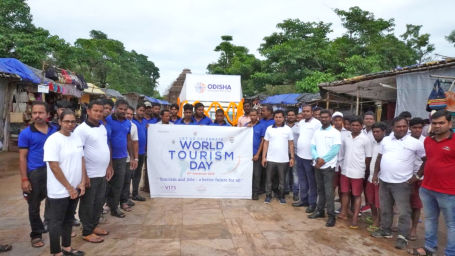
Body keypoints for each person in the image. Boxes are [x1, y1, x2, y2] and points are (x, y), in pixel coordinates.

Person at [372, 116, 426, 250]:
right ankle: (386, 230)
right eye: (398, 126)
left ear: (407, 127)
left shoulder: (415, 143)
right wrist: (375, 174)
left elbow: (426, 159)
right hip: (384, 180)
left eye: (404, 126)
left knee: (404, 211)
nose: (401, 128)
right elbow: (379, 158)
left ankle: (402, 237)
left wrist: (418, 175)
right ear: (392, 127)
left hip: (402, 183)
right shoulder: (385, 140)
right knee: (385, 208)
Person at [408, 110, 455, 256]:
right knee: (430, 220)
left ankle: (450, 252)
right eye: (434, 123)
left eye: (441, 123)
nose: (437, 126)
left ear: (450, 123)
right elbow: (428, 161)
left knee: (451, 225)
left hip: (449, 191)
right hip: (427, 188)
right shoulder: (428, 141)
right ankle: (429, 248)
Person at [43, 109, 86, 256]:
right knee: (56, 222)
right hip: (59, 190)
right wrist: (69, 188)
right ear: (60, 122)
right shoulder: (53, 140)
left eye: (73, 121)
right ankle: (56, 252)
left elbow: (81, 159)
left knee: (68, 219)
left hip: (74, 188)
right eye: (66, 121)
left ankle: (67, 248)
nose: (70, 124)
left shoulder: (76, 138)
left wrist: (82, 182)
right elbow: (54, 166)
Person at [18, 101, 58, 248]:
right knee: (33, 205)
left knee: (54, 200)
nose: (37, 116)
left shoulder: (55, 130)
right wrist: (24, 179)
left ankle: (51, 226)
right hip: (35, 172)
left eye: (41, 113)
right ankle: (36, 234)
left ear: (48, 115)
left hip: (54, 170)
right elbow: (22, 157)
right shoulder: (26, 133)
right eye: (34, 113)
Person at [74, 100, 111, 243]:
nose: (98, 113)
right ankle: (87, 231)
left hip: (102, 173)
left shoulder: (102, 127)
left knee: (99, 202)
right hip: (90, 174)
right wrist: (84, 176)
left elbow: (105, 146)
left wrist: (109, 166)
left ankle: (94, 226)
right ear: (88, 111)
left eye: (101, 111)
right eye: (95, 110)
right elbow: (79, 154)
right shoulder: (81, 130)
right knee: (88, 204)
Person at [308, 109, 341, 227]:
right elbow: (312, 147)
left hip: (328, 166)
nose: (324, 119)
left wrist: (323, 160)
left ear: (330, 118)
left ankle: (331, 216)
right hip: (317, 165)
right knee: (320, 190)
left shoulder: (335, 132)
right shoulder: (317, 132)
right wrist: (317, 158)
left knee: (329, 192)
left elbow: (335, 150)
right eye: (322, 117)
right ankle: (320, 211)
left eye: (326, 117)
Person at [338, 116, 372, 228]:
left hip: (358, 172)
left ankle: (355, 218)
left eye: (357, 125)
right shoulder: (346, 137)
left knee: (357, 195)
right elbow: (342, 153)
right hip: (345, 170)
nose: (355, 127)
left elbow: (368, 157)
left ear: (361, 126)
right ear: (349, 126)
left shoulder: (365, 139)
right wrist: (342, 166)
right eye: (353, 125)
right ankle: (343, 213)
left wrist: (363, 168)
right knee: (345, 192)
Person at [105, 99, 136, 218]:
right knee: (108, 184)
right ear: (115, 108)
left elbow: (129, 140)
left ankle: (114, 207)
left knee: (119, 184)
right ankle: (109, 206)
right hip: (109, 158)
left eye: (125, 109)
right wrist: (109, 162)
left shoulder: (127, 123)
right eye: (120, 109)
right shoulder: (107, 121)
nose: (123, 111)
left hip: (122, 158)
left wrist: (132, 157)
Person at [292, 105, 321, 212]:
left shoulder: (317, 123)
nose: (305, 113)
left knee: (311, 182)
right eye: (304, 111)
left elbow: (318, 140)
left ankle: (312, 203)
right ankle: (303, 200)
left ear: (312, 112)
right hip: (300, 156)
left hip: (310, 157)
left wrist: (315, 157)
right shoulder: (301, 123)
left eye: (307, 111)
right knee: (302, 180)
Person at [261, 110, 294, 204]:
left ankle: (282, 196)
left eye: (280, 117)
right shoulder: (269, 129)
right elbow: (266, 143)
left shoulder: (288, 129)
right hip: (270, 159)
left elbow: (291, 144)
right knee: (268, 179)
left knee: (282, 180)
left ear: (284, 118)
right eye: (276, 117)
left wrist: (292, 157)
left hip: (283, 160)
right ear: (274, 118)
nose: (278, 119)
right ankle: (268, 196)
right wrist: (264, 157)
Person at [365, 122, 387, 232]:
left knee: (379, 202)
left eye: (378, 131)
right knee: (371, 200)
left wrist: (376, 175)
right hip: (370, 177)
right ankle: (374, 218)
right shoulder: (373, 143)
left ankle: (378, 221)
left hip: (380, 178)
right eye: (374, 132)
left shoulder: (386, 144)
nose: (375, 134)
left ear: (384, 132)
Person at [408, 117, 426, 241]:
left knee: (416, 205)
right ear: (410, 128)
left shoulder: (426, 141)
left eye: (420, 128)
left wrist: (418, 176)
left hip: (418, 178)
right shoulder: (405, 140)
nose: (417, 130)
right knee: (403, 203)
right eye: (414, 127)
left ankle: (413, 228)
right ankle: (401, 225)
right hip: (404, 177)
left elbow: (427, 161)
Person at [120, 106, 139, 212]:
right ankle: (111, 203)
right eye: (127, 113)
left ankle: (124, 201)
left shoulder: (133, 126)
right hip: (117, 158)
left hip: (128, 158)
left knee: (127, 181)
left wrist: (135, 158)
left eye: (131, 114)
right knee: (117, 182)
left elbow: (134, 142)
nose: (129, 115)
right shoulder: (116, 123)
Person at [131, 104, 147, 201]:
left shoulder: (145, 122)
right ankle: (125, 195)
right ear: (136, 110)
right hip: (132, 152)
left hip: (142, 152)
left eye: (143, 111)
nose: (142, 112)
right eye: (140, 110)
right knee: (130, 174)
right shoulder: (132, 121)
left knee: (138, 174)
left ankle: (135, 193)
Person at [332, 111, 349, 204]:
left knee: (343, 188)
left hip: (343, 164)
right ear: (333, 121)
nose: (337, 122)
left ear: (342, 120)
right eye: (335, 120)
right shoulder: (330, 132)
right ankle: (330, 205)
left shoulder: (347, 133)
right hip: (332, 164)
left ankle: (342, 207)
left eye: (339, 120)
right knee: (332, 186)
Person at [248, 109, 263, 200]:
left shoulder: (261, 126)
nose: (252, 117)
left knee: (256, 174)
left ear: (257, 115)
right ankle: (247, 191)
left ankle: (255, 192)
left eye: (254, 115)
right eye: (251, 115)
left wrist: (258, 154)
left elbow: (262, 141)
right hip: (246, 154)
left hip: (256, 154)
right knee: (248, 174)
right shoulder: (246, 126)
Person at [286, 109, 299, 200]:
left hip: (296, 153)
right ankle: (286, 189)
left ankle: (295, 192)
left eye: (292, 115)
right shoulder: (283, 126)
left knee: (295, 173)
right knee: (286, 172)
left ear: (295, 116)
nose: (291, 116)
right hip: (284, 153)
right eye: (289, 115)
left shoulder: (299, 126)